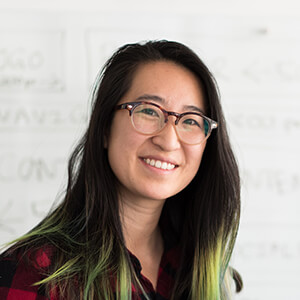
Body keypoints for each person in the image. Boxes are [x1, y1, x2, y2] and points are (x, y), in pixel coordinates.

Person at [0, 40, 243, 299]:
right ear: (105, 128)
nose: (169, 141)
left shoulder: (206, 273)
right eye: (148, 111)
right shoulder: (35, 274)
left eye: (191, 120)